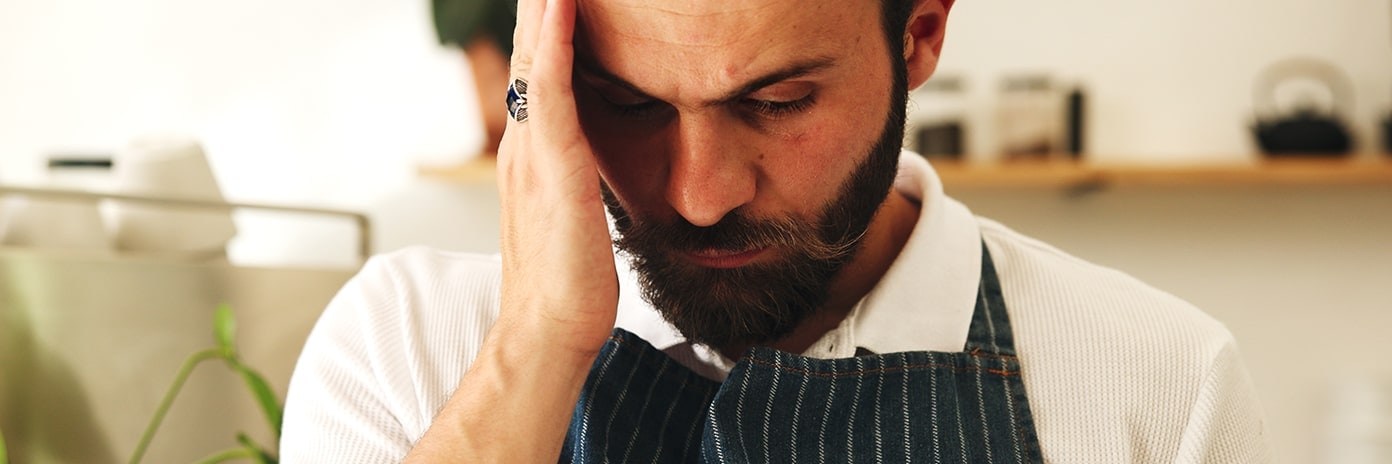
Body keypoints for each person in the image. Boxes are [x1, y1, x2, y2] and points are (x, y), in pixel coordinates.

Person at [280, 0, 1273, 461]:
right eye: (630, 105)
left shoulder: (1160, 382)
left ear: (920, 33)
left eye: (780, 101)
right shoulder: (408, 343)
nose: (702, 194)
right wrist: (537, 346)